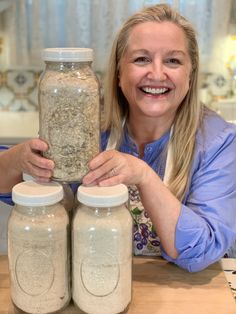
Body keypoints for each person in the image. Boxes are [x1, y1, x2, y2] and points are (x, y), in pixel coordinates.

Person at [0, 3, 236, 272]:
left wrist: (144, 175)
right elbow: (10, 182)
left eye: (173, 60)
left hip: (182, 293)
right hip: (93, 279)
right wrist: (19, 160)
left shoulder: (219, 141)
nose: (157, 74)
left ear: (190, 74)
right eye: (141, 59)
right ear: (119, 72)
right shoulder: (87, 124)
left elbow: (203, 250)